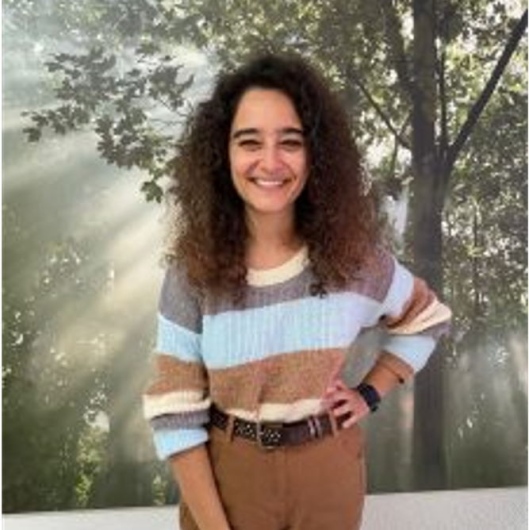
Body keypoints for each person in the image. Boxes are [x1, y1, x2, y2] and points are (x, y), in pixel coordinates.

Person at [142, 52, 451, 530]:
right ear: (222, 154)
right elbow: (174, 413)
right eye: (249, 141)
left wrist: (370, 393)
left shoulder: (355, 260)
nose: (270, 162)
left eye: (290, 142)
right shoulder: (191, 274)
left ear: (315, 155)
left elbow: (428, 319)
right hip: (228, 478)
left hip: (329, 472)